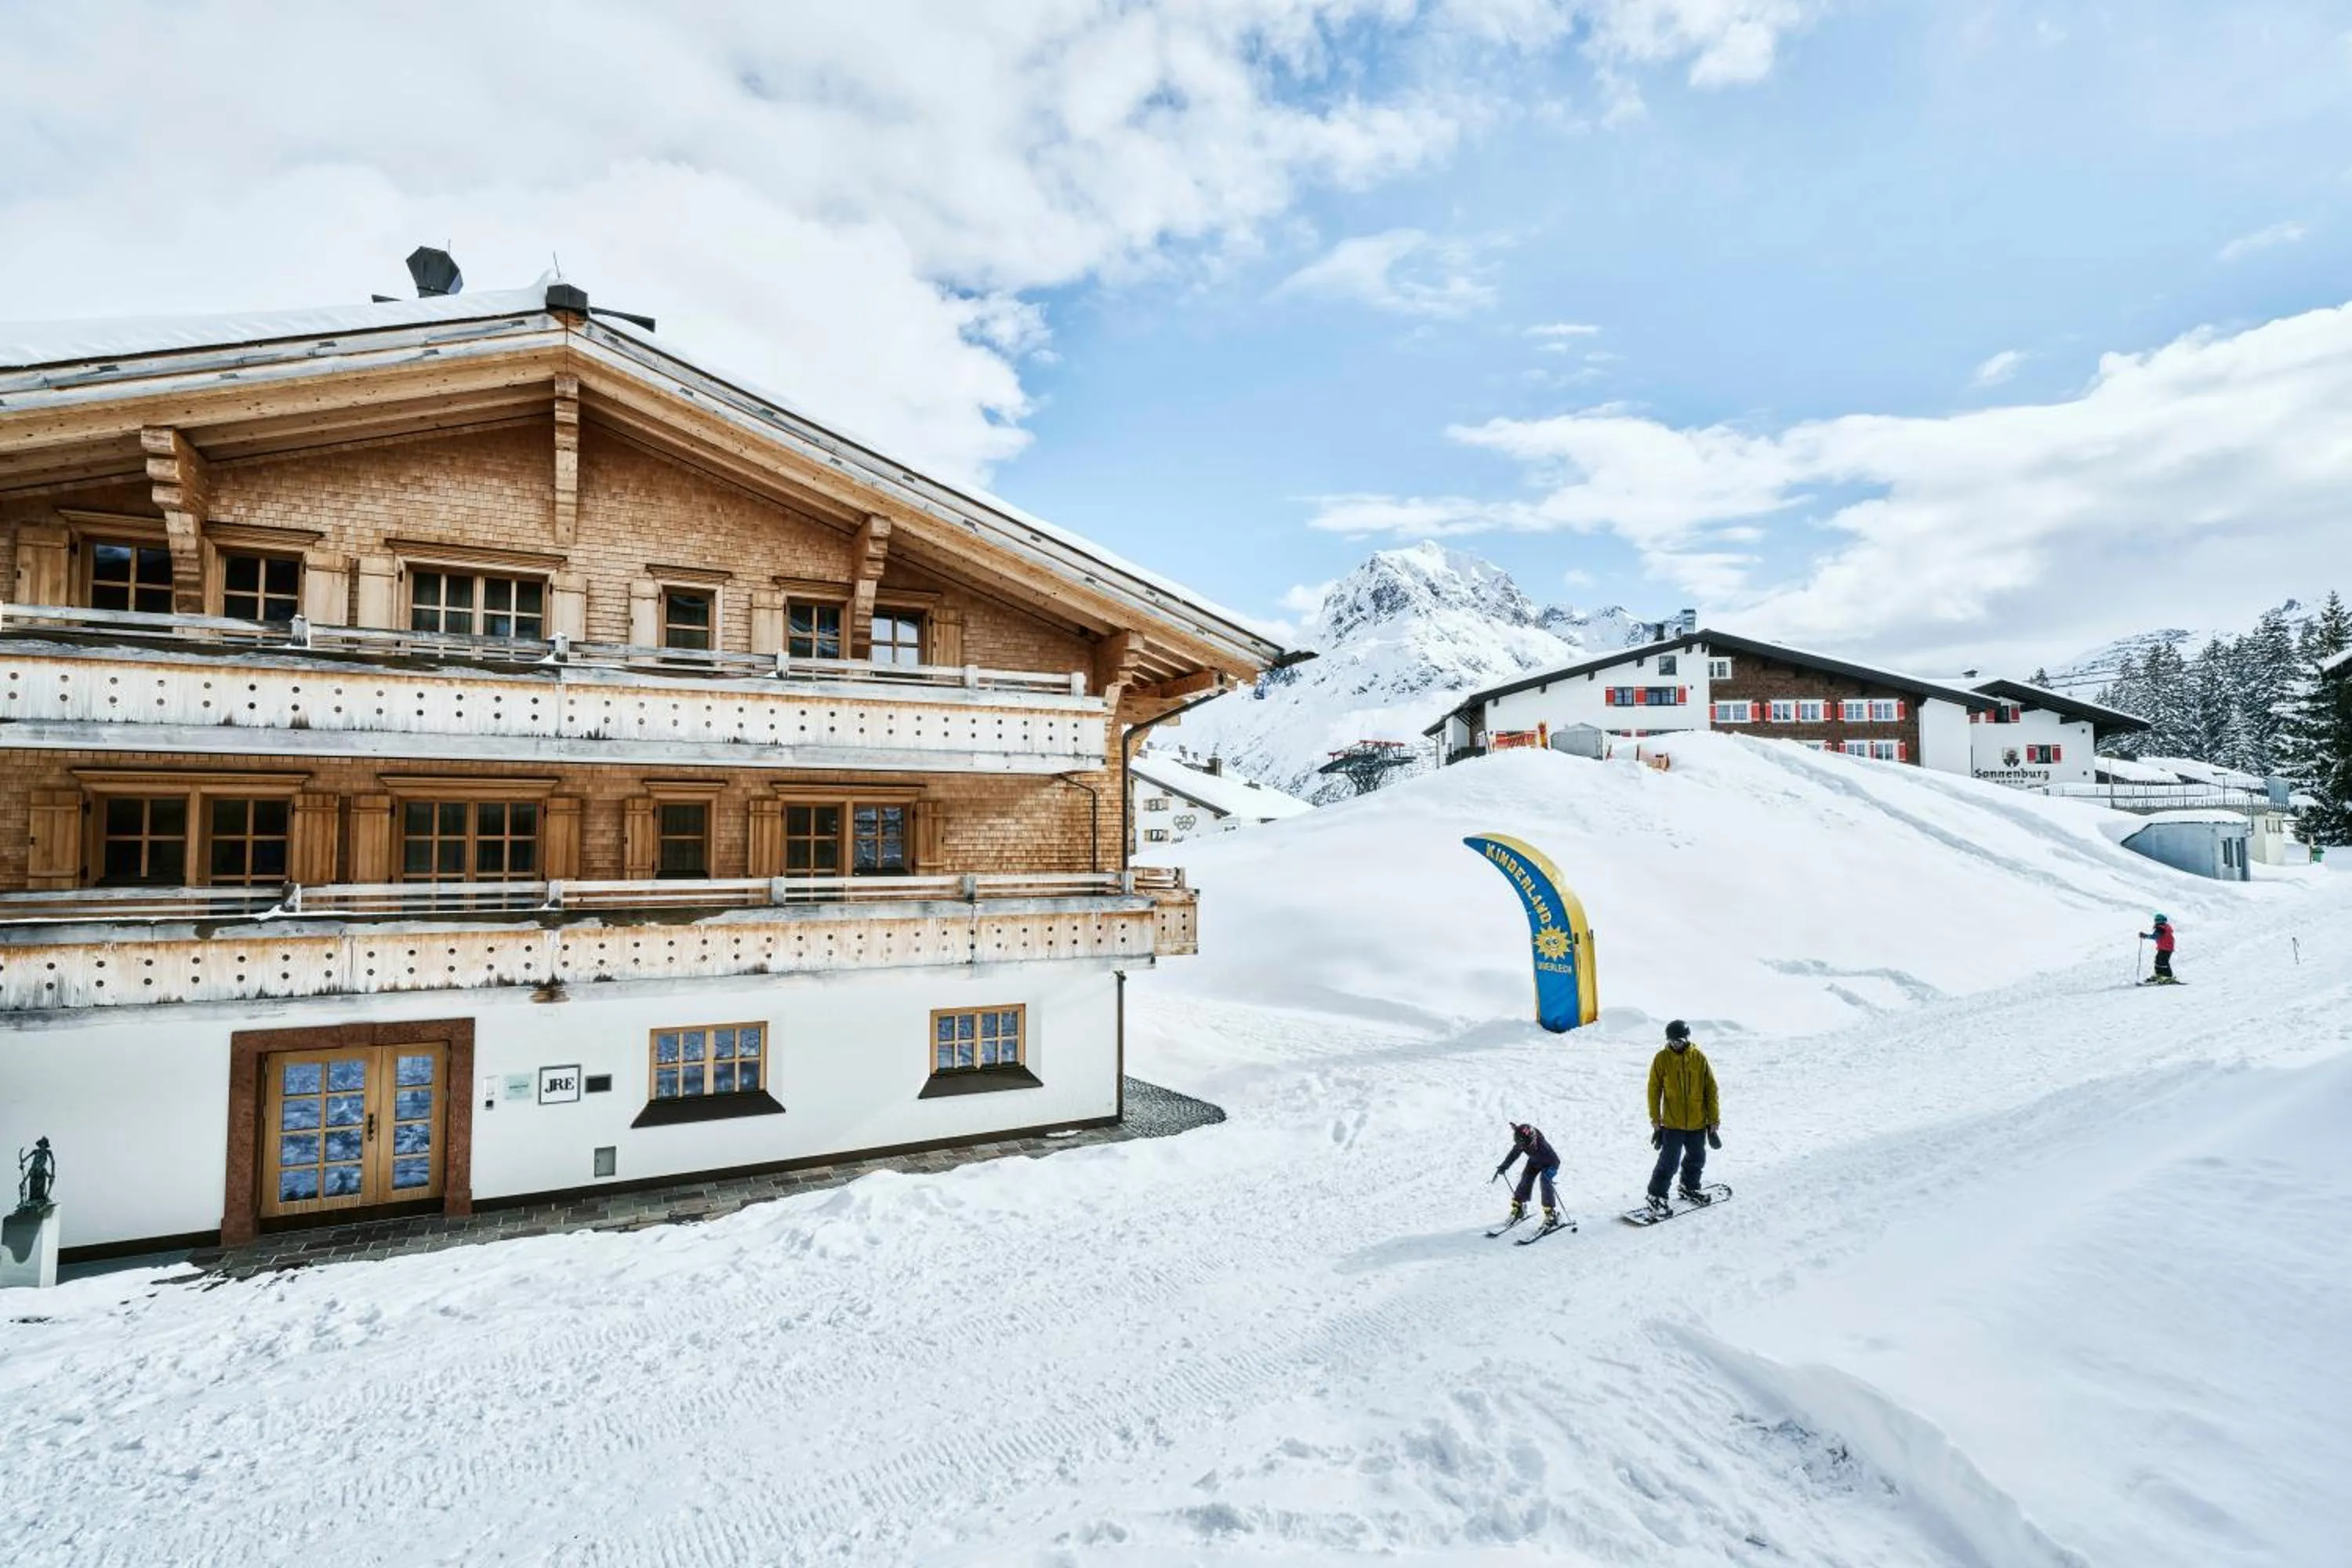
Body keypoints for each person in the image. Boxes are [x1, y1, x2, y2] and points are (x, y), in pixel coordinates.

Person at [1646, 1019, 1720, 1214]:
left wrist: (1714, 1119)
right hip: (1673, 1123)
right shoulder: (1662, 1059)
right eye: (1671, 1041)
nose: (1675, 1045)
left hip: (1697, 1121)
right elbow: (1654, 1090)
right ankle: (1656, 1196)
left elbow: (1711, 1089)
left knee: (1697, 1158)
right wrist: (1656, 1120)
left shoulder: (1699, 1058)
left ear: (1687, 1039)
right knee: (1669, 1162)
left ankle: (1689, 1186)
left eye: (1679, 1041)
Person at [1494, 1122, 1563, 1228]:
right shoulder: (1523, 1140)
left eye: (1527, 1145)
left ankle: (1551, 1215)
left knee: (1545, 1180)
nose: (1524, 1147)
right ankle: (1518, 1209)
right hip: (1535, 1162)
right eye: (1522, 1145)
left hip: (1550, 1164)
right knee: (1525, 1179)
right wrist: (1504, 1166)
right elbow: (1514, 1153)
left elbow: (1554, 1161)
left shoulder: (1540, 1143)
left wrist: (1550, 1172)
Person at [2140, 913, 2178, 983]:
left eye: (2156, 920)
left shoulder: (2161, 928)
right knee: (2158, 961)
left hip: (2166, 948)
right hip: (2164, 947)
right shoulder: (2164, 927)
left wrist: (2145, 936)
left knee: (2163, 962)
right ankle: (2159, 975)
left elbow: (2155, 936)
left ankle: (2168, 976)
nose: (2155, 922)